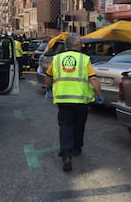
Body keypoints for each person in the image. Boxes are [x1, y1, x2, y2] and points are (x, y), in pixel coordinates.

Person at [45, 33, 103, 172]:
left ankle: (66, 154)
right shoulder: (84, 59)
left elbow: (48, 76)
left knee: (65, 125)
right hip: (81, 99)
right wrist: (99, 94)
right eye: (81, 44)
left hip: (63, 99)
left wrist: (48, 89)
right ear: (77, 45)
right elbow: (93, 79)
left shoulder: (57, 59)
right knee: (79, 124)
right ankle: (76, 148)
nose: (82, 46)